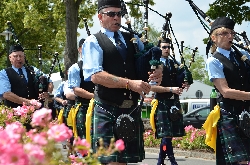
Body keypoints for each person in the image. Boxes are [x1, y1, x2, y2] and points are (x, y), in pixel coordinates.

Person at [81, 0, 162, 164]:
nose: (116, 18)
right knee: (111, 161)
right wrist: (130, 84)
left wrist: (158, 70)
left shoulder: (132, 39)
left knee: (123, 161)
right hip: (107, 107)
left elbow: (150, 57)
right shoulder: (93, 41)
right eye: (111, 14)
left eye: (119, 14)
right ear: (100, 17)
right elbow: (95, 75)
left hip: (131, 108)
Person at [205, 17, 250, 165]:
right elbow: (225, 91)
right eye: (224, 33)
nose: (230, 36)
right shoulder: (214, 61)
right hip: (229, 113)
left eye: (231, 33)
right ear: (214, 38)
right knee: (240, 161)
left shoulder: (243, 56)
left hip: (247, 111)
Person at [151, 38, 190, 165]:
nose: (167, 49)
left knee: (168, 136)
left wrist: (184, 83)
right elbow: (152, 87)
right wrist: (171, 89)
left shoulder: (175, 64)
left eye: (168, 47)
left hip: (174, 102)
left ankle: (160, 161)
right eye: (164, 47)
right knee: (166, 135)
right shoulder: (154, 65)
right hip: (162, 102)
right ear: (159, 49)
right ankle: (173, 161)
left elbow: (180, 80)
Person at [68, 38, 95, 140]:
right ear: (79, 49)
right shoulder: (75, 68)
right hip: (84, 107)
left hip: (100, 107)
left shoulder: (99, 66)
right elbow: (77, 90)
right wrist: (95, 96)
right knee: (83, 138)